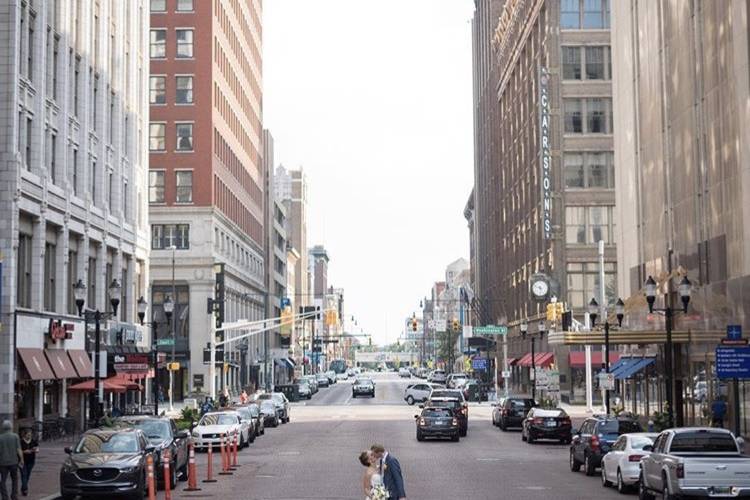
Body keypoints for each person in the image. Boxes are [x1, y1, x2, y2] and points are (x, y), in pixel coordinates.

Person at [0, 420, 23, 500]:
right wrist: (22, 460)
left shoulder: (0, 437)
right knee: (15, 479)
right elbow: (19, 449)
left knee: (2, 481)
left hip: (2, 462)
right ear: (11, 427)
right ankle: (14, 496)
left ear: (3, 428)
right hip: (14, 462)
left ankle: (4, 497)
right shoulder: (15, 436)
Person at [19, 430, 38, 497]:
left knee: (27, 475)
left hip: (31, 461)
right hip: (22, 461)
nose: (29, 436)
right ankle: (25, 490)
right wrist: (24, 451)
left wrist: (35, 449)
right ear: (25, 435)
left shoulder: (33, 441)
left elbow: (37, 447)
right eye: (28, 435)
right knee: (24, 475)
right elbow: (18, 450)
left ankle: (23, 488)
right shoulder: (21, 442)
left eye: (30, 435)